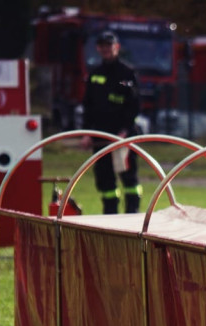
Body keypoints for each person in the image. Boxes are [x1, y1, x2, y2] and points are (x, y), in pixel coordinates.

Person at [82, 31, 142, 214]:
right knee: (104, 178)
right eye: (102, 46)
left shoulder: (127, 73)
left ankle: (132, 215)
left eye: (109, 46)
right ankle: (109, 216)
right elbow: (88, 106)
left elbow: (134, 105)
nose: (105, 49)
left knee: (128, 176)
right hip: (100, 136)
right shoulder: (94, 74)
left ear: (117, 47)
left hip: (122, 136)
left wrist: (125, 131)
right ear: (98, 49)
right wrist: (87, 133)